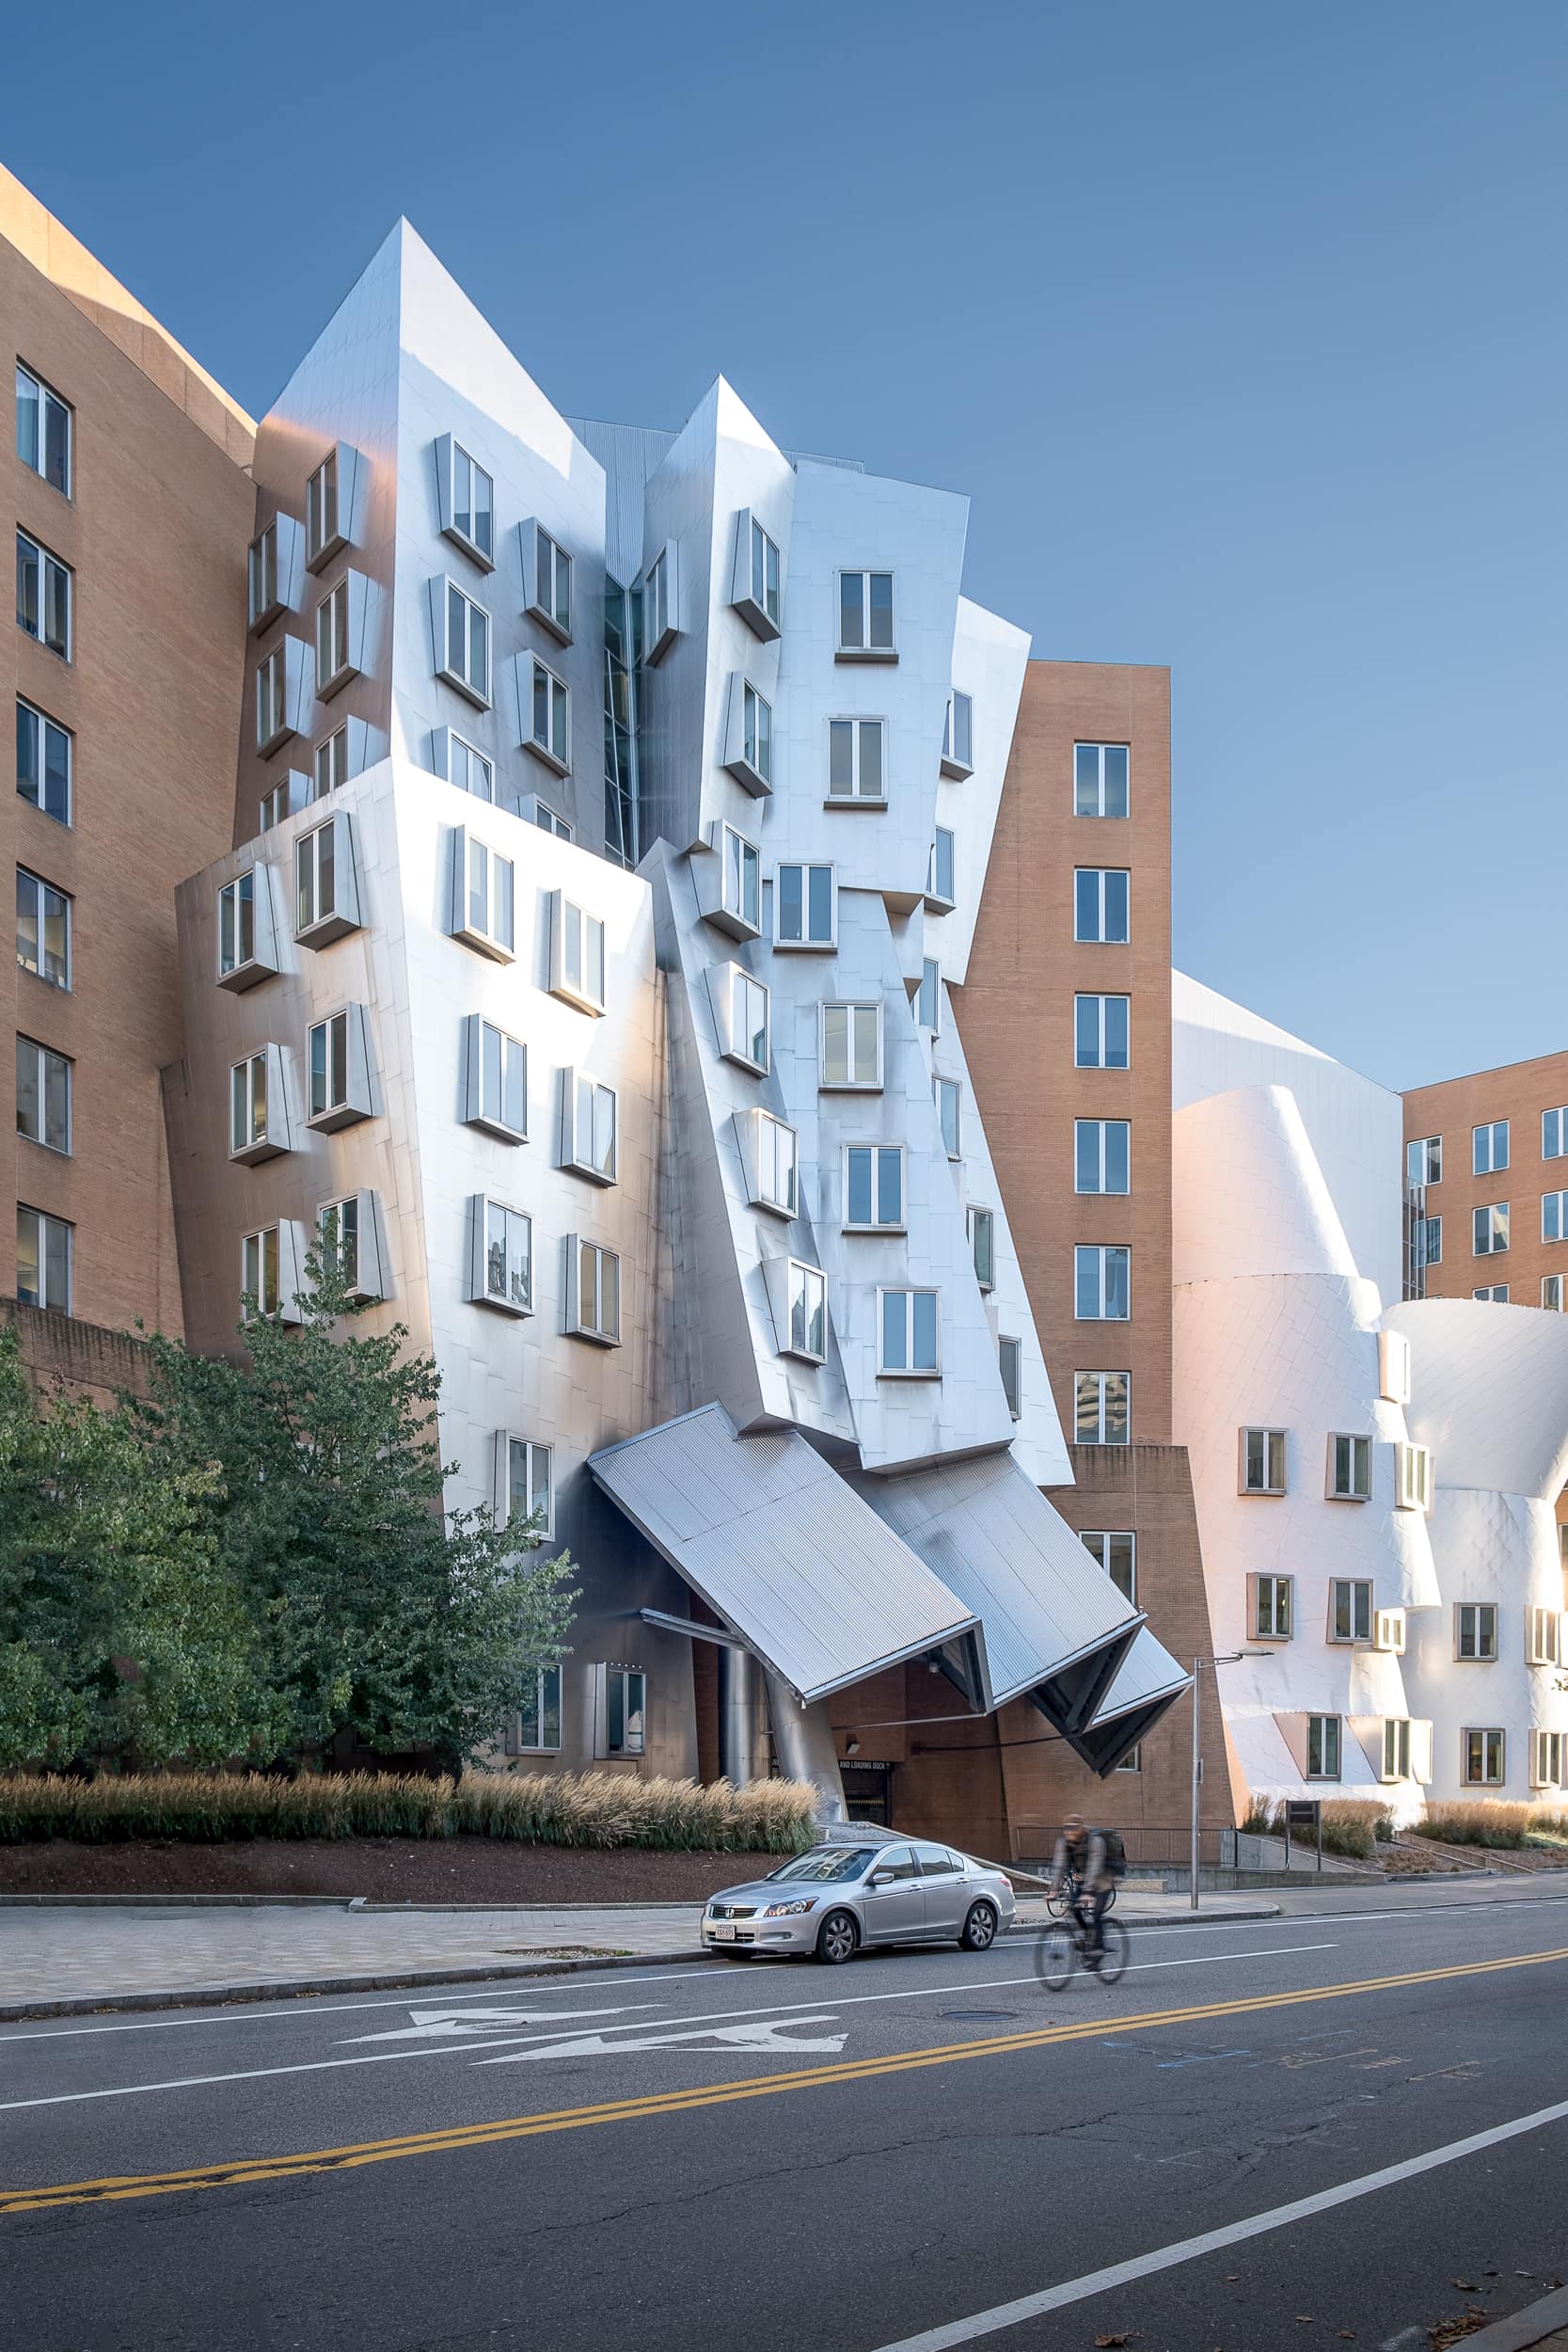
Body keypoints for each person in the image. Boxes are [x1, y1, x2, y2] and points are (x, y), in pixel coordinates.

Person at [1051, 1815, 1112, 1966]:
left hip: (1104, 1879)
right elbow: (1059, 1866)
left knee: (1096, 1914)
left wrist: (1088, 1892)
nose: (1069, 1832)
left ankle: (1099, 1948)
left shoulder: (1096, 1841)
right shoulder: (1064, 1843)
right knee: (1074, 1908)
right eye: (1066, 1828)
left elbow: (1095, 1866)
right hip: (1084, 1880)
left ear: (1082, 1828)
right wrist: (1054, 1890)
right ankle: (1087, 1935)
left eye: (1073, 1828)